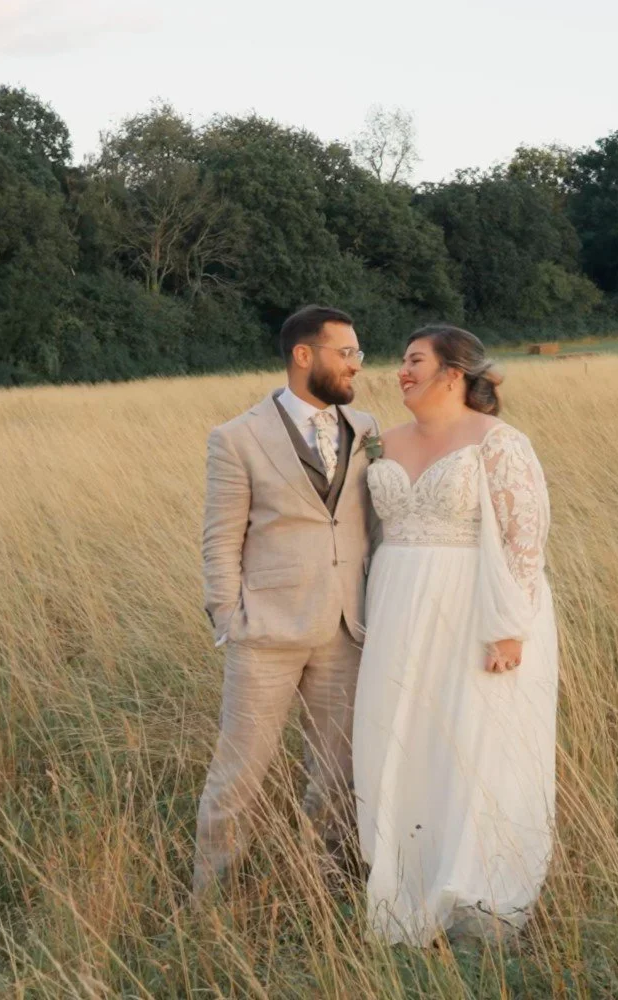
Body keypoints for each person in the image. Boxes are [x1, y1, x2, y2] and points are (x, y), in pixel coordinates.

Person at [350, 323, 560, 945]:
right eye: (401, 361)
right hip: (397, 608)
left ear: (452, 373)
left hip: (474, 612)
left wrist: (510, 630)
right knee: (405, 738)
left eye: (415, 360)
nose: (401, 372)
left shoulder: (499, 442)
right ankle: (405, 879)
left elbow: (526, 539)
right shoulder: (382, 444)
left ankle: (476, 895)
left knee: (473, 743)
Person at [191, 305, 379, 899]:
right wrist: (229, 620)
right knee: (239, 776)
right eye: (345, 353)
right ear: (305, 356)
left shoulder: (366, 427)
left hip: (346, 629)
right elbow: (220, 538)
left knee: (336, 774)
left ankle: (327, 888)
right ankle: (212, 902)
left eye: (358, 355)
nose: (356, 366)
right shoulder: (238, 437)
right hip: (265, 635)